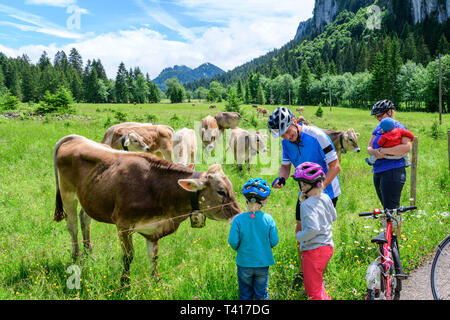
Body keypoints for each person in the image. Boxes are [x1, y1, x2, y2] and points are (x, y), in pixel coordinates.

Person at [267, 106, 341, 286]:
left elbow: (335, 166)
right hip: (305, 193)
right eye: (282, 135)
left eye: (287, 132)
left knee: (318, 235)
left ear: (294, 122)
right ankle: (304, 271)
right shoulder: (286, 142)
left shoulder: (317, 136)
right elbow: (286, 166)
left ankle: (319, 272)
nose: (286, 137)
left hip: (327, 191)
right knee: (300, 230)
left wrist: (319, 189)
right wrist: (281, 179)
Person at [367, 99, 412, 278]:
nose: (378, 119)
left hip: (393, 173)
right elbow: (369, 146)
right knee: (387, 213)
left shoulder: (398, 126)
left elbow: (406, 147)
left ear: (390, 112)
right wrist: (374, 152)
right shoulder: (378, 129)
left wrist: (384, 152)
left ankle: (396, 264)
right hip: (378, 172)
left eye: (380, 115)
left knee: (391, 214)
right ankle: (389, 256)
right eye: (376, 116)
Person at [228, 178, 279, 300]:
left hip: (244, 263)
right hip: (262, 263)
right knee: (261, 294)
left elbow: (233, 241)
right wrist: (265, 246)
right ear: (264, 201)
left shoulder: (238, 220)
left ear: (246, 200)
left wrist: (240, 249)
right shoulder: (269, 219)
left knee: (245, 294)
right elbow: (274, 241)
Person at [292, 162, 336, 300]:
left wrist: (299, 236)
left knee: (313, 291)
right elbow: (333, 217)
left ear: (305, 185)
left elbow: (313, 229)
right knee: (318, 283)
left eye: (301, 183)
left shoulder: (305, 205)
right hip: (327, 247)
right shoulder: (326, 197)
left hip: (314, 251)